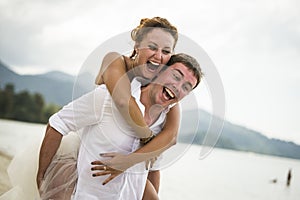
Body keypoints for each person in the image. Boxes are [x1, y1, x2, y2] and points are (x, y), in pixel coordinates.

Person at [37, 53, 202, 200]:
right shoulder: (107, 99)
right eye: (176, 76)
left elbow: (153, 168)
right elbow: (58, 123)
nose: (178, 87)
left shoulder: (164, 126)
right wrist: (42, 175)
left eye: (186, 87)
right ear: (159, 71)